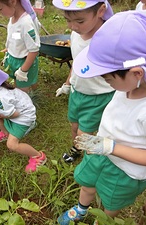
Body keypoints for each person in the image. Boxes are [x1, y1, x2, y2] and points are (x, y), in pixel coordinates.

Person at [57, 11, 146, 224]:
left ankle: (101, 220)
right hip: (101, 149)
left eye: (108, 78)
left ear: (137, 73)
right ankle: (82, 209)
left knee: (110, 203)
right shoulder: (129, 83)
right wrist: (103, 145)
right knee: (88, 183)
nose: (107, 83)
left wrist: (112, 147)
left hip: (125, 170)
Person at [52, 0, 115, 163]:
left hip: (98, 96)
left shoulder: (109, 40)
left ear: (101, 11)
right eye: (68, 20)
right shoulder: (76, 34)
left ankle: (90, 160)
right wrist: (68, 83)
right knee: (74, 126)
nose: (72, 26)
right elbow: (77, 62)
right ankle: (78, 149)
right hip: (78, 91)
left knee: (83, 133)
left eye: (80, 21)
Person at [0, 0, 40, 93]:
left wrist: (23, 70)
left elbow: (34, 50)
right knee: (17, 83)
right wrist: (6, 51)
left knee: (21, 92)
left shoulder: (25, 23)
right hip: (13, 59)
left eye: (0, 8)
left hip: (24, 61)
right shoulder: (12, 18)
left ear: (13, 1)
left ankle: (30, 100)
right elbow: (15, 39)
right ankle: (34, 89)